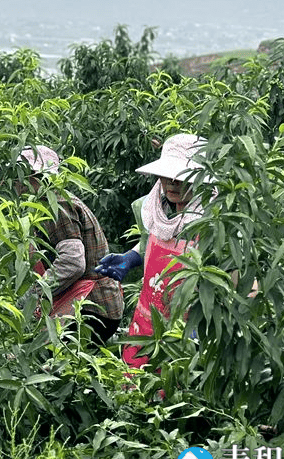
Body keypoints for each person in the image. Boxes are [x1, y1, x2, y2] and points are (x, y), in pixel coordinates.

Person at [94, 133, 209, 368]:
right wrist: (132, 257)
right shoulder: (155, 208)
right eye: (167, 176)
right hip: (146, 322)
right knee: (133, 392)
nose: (172, 183)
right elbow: (151, 241)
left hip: (185, 332)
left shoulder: (212, 221)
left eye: (181, 177)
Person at [14, 146, 124, 345]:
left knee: (40, 357)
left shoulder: (57, 203)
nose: (17, 183)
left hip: (93, 309)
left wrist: (31, 296)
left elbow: (72, 262)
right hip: (96, 306)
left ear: (36, 177)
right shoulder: (52, 201)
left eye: (22, 175)